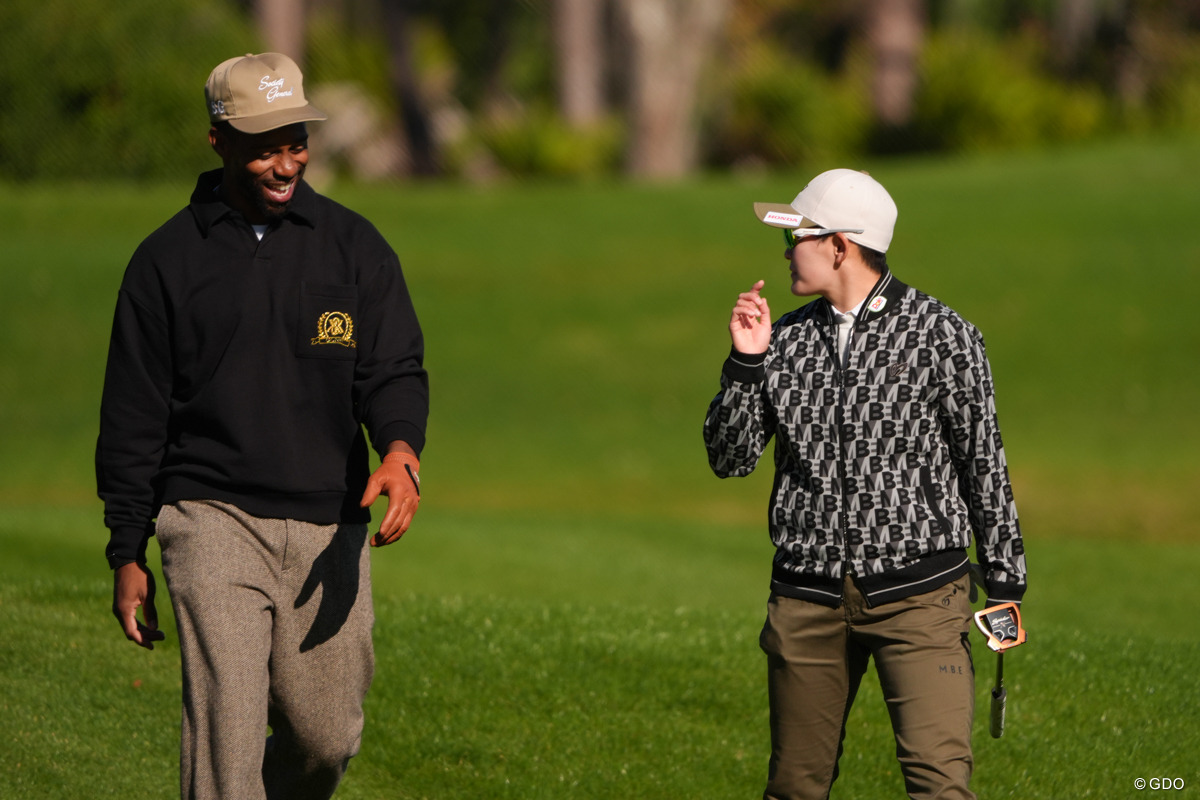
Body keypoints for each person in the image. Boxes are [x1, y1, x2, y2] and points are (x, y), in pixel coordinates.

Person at [96, 52, 429, 800]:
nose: (287, 163)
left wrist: (400, 449)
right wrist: (127, 546)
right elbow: (134, 417)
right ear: (218, 141)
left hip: (328, 528)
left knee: (325, 737)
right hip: (211, 518)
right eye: (266, 145)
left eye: (297, 141)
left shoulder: (354, 247)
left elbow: (395, 369)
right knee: (228, 738)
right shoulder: (164, 263)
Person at [703, 169, 1026, 800]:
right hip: (806, 601)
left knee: (940, 786)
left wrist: (1005, 581)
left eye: (797, 235)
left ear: (839, 246)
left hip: (922, 600)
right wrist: (745, 361)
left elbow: (983, 461)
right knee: (795, 787)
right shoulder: (785, 341)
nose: (785, 248)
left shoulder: (942, 334)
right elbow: (729, 457)